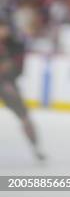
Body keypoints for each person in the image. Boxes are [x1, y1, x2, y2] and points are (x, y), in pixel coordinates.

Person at [0, 19, 45, 161]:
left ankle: (36, 147)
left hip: (8, 84)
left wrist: (7, 76)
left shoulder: (15, 45)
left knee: (25, 117)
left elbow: (18, 68)